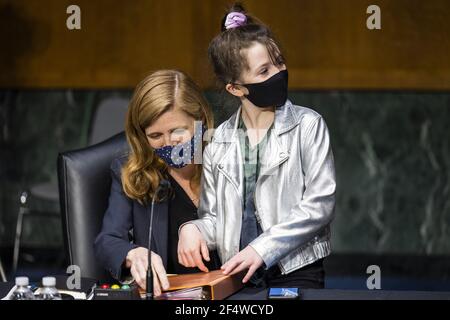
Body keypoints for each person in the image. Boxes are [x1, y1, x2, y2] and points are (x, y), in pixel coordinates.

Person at [178, 4, 336, 289]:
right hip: (237, 274)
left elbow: (319, 206)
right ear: (235, 88)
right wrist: (192, 229)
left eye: (279, 62)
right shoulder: (217, 142)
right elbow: (214, 219)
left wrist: (262, 249)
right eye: (264, 71)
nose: (279, 73)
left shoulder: (309, 125)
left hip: (296, 270)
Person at [94, 69, 219, 297]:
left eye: (177, 131)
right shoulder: (133, 174)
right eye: (155, 136)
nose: (169, 143)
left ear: (199, 121)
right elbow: (107, 241)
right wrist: (133, 254)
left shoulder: (227, 161)